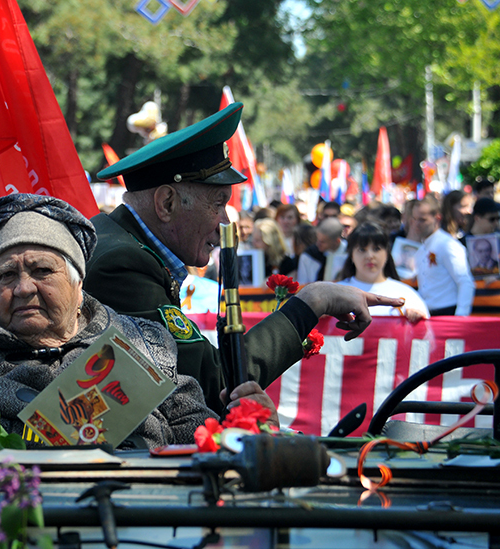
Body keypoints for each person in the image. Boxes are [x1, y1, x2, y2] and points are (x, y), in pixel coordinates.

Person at [0, 194, 274, 448]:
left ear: (79, 282)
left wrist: (246, 428)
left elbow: (194, 438)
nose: (23, 287)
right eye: (6, 275)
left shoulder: (143, 344)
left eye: (42, 270)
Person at [87, 102, 404, 414]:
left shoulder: (121, 243)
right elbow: (217, 384)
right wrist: (312, 301)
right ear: (167, 203)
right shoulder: (123, 263)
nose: (226, 222)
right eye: (217, 203)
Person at [336, 223, 429, 323]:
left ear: (387, 253)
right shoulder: (335, 294)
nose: (370, 256)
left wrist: (419, 321)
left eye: (376, 249)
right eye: (362, 250)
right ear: (351, 255)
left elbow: (428, 335)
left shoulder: (408, 296)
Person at [408, 196, 475, 316]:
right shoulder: (423, 246)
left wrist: (460, 316)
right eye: (415, 219)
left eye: (422, 220)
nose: (417, 224)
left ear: (437, 218)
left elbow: (465, 282)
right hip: (429, 312)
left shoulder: (447, 245)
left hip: (448, 312)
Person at [463, 197, 500, 278]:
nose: (496, 223)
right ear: (477, 218)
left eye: (498, 219)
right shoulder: (461, 244)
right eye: (492, 219)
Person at [296, 218, 346, 284]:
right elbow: (302, 282)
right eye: (317, 239)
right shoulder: (309, 255)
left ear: (337, 241)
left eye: (323, 242)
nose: (317, 244)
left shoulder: (349, 254)